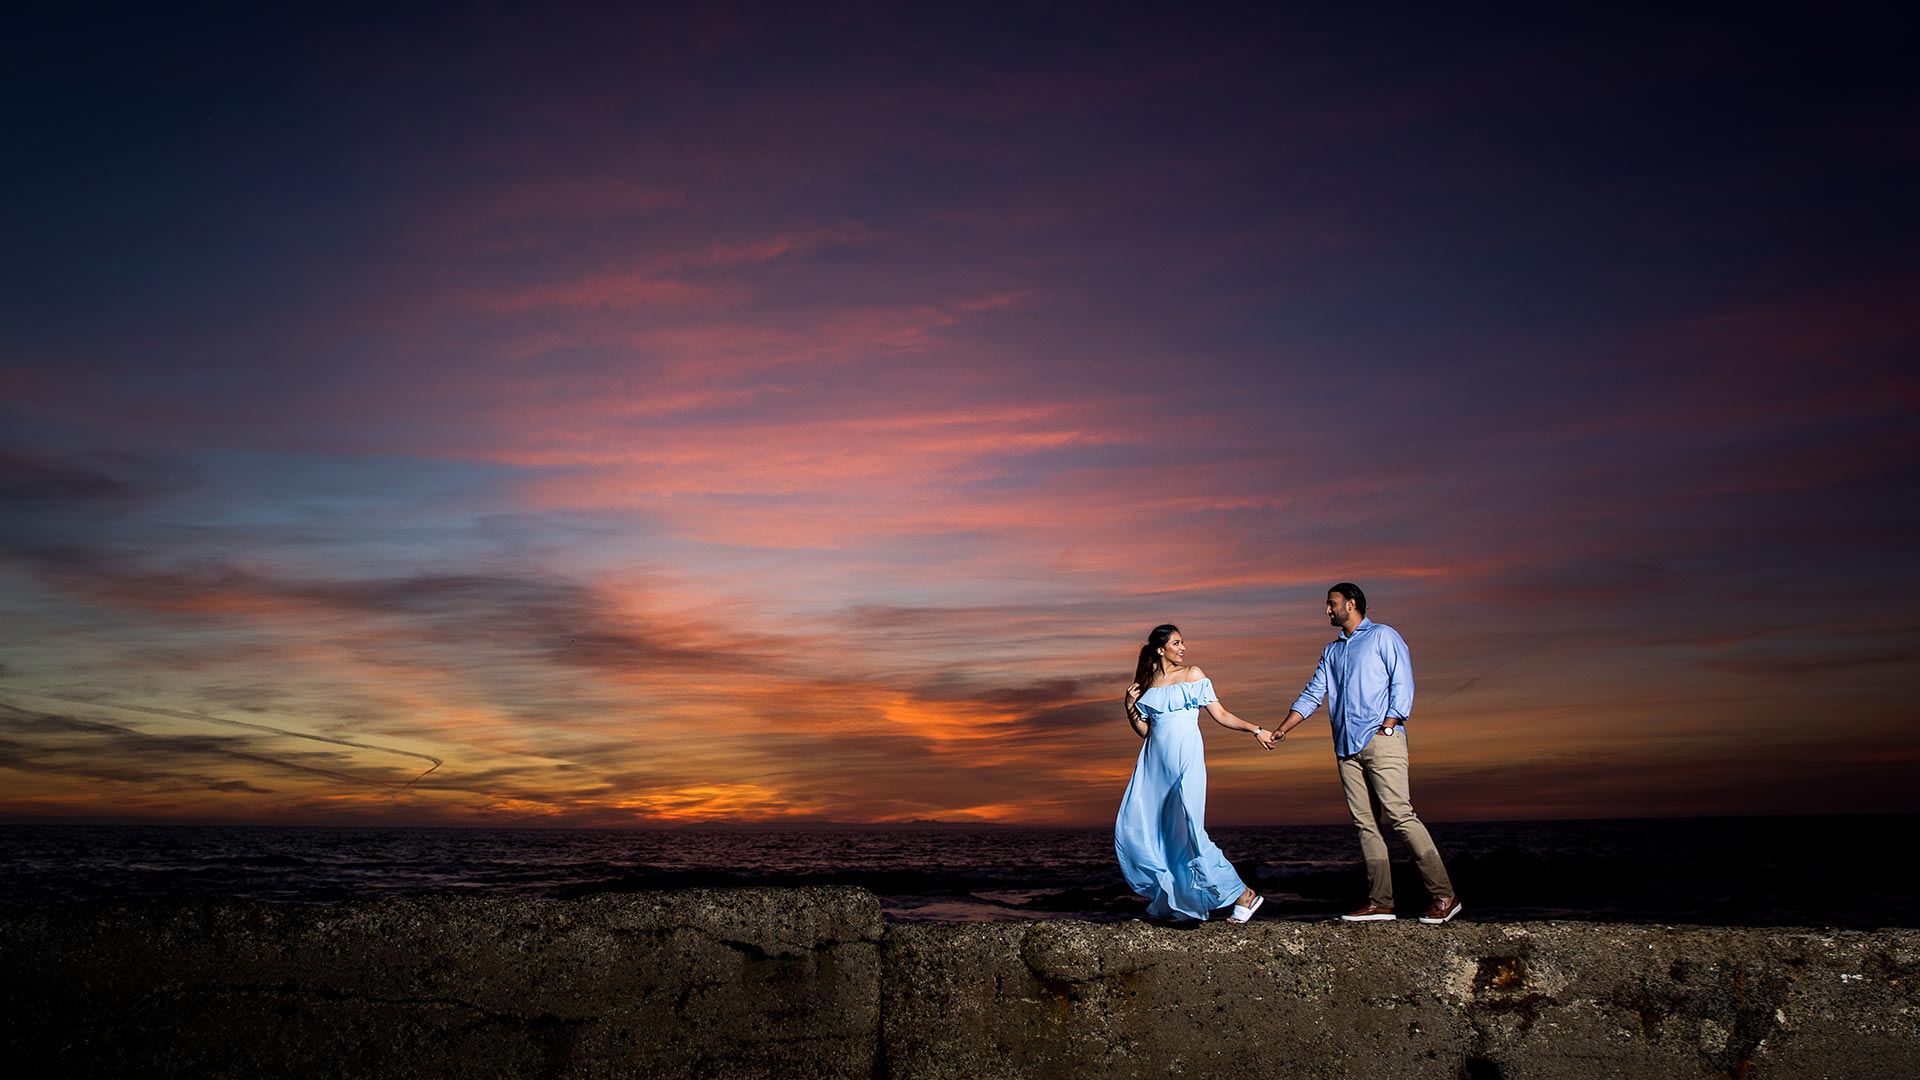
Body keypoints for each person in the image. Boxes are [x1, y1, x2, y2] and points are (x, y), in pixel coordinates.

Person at [1268, 584, 1462, 924]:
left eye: (1332, 604)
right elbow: (1314, 693)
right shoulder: (1331, 652)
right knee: (1366, 826)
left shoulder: (1383, 636)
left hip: (1381, 739)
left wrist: (1389, 723)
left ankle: (1445, 895)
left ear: (1351, 604)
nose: (1327, 610)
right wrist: (1285, 728)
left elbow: (1402, 680)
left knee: (1401, 816)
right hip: (1345, 748)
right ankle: (1381, 902)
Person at [1115, 623, 1277, 923]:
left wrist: (1256, 730)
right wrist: (1130, 709)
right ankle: (1181, 904)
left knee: (1190, 827)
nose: (1183, 648)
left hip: (1186, 758)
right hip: (1154, 764)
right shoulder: (1147, 684)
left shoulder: (1193, 674)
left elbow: (1221, 714)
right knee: (1160, 832)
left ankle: (1243, 893)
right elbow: (1145, 732)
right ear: (1160, 649)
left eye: (1183, 643)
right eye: (1176, 643)